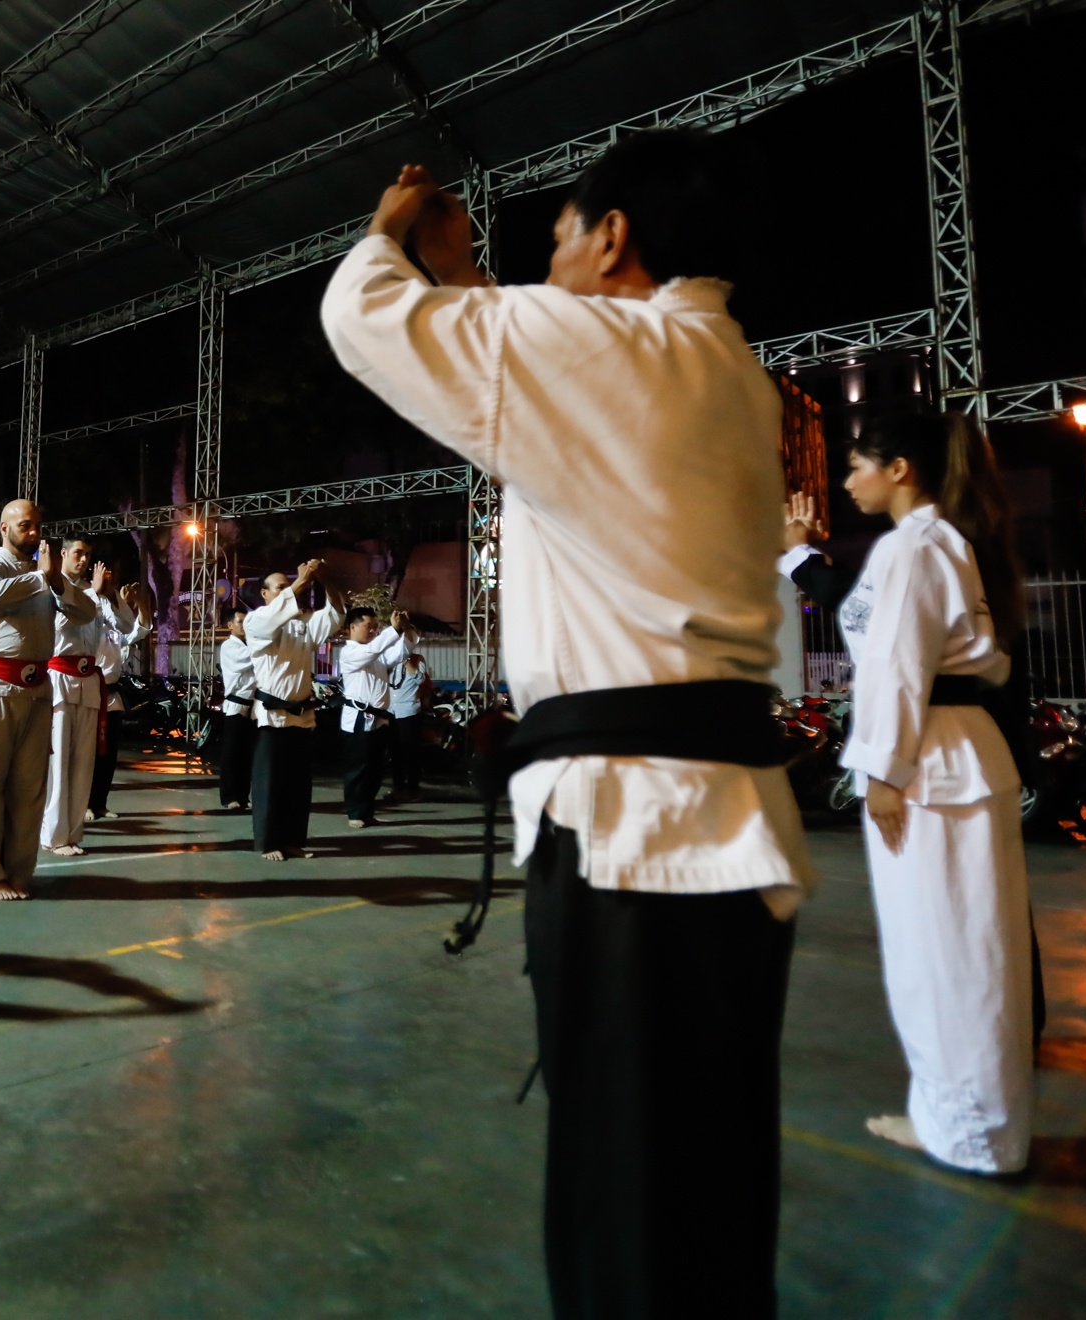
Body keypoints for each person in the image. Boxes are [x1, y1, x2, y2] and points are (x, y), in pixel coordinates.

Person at [321, 134, 814, 1316]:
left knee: (632, 1217)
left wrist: (395, 230)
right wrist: (476, 282)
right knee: (704, 1203)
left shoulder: (622, 355)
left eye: (557, 237)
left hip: (636, 842)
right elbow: (548, 364)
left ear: (612, 237)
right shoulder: (725, 369)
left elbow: (363, 317)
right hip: (722, 824)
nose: (541, 264)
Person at [783, 412, 1033, 1175]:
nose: (848, 478)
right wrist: (798, 553)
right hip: (955, 754)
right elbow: (870, 628)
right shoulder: (939, 542)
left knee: (945, 955)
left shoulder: (913, 546)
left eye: (858, 464)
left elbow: (894, 662)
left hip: (931, 764)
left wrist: (885, 770)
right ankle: (966, 1123)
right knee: (962, 949)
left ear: (901, 470)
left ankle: (971, 1134)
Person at [0, 499, 95, 899]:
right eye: (25, 526)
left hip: (38, 691)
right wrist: (43, 578)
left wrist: (57, 583)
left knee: (29, 788)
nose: (35, 533)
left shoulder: (48, 578)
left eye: (38, 525)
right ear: (4, 528)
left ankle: (19, 871)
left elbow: (87, 612)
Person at [244, 559, 344, 861]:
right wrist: (301, 581)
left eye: (289, 587)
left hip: (301, 715)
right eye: (281, 588)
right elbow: (273, 617)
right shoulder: (256, 622)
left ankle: (292, 840)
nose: (288, 591)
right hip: (271, 715)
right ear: (264, 594)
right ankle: (269, 841)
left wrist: (326, 581)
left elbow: (337, 614)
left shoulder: (301, 626)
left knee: (298, 786)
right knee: (270, 784)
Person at [41, 541, 125, 856]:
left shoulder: (96, 595)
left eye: (88, 554)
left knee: (83, 766)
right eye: (78, 553)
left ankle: (72, 834)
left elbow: (128, 627)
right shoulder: (49, 587)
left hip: (89, 683)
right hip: (60, 681)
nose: (85, 559)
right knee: (58, 762)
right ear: (62, 553)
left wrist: (110, 594)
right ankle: (52, 835)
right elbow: (69, 618)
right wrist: (94, 594)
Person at [337, 608, 416, 828]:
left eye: (375, 627)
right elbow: (374, 649)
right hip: (359, 719)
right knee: (358, 769)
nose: (373, 630)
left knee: (374, 770)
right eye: (368, 626)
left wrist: (406, 628)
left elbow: (401, 652)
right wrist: (393, 630)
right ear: (352, 627)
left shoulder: (376, 655)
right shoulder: (350, 653)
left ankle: (367, 810)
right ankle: (354, 812)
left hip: (379, 719)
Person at [88, 581, 153, 822]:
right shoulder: (85, 626)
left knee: (108, 755)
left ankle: (100, 803)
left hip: (112, 697)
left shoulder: (116, 631)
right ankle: (84, 803)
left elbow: (141, 630)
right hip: (88, 693)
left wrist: (137, 603)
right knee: (88, 755)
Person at [217, 608, 257, 812]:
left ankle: (243, 794)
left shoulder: (250, 645)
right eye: (240, 621)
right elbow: (249, 658)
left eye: (247, 621)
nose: (244, 625)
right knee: (232, 755)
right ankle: (230, 796)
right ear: (230, 625)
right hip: (235, 705)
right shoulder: (228, 647)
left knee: (246, 755)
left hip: (252, 705)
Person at [387, 651, 428, 804]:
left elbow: (420, 679)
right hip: (391, 710)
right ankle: (398, 787)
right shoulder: (389, 659)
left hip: (409, 711)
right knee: (395, 751)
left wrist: (406, 661)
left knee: (411, 752)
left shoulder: (417, 659)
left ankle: (413, 789)